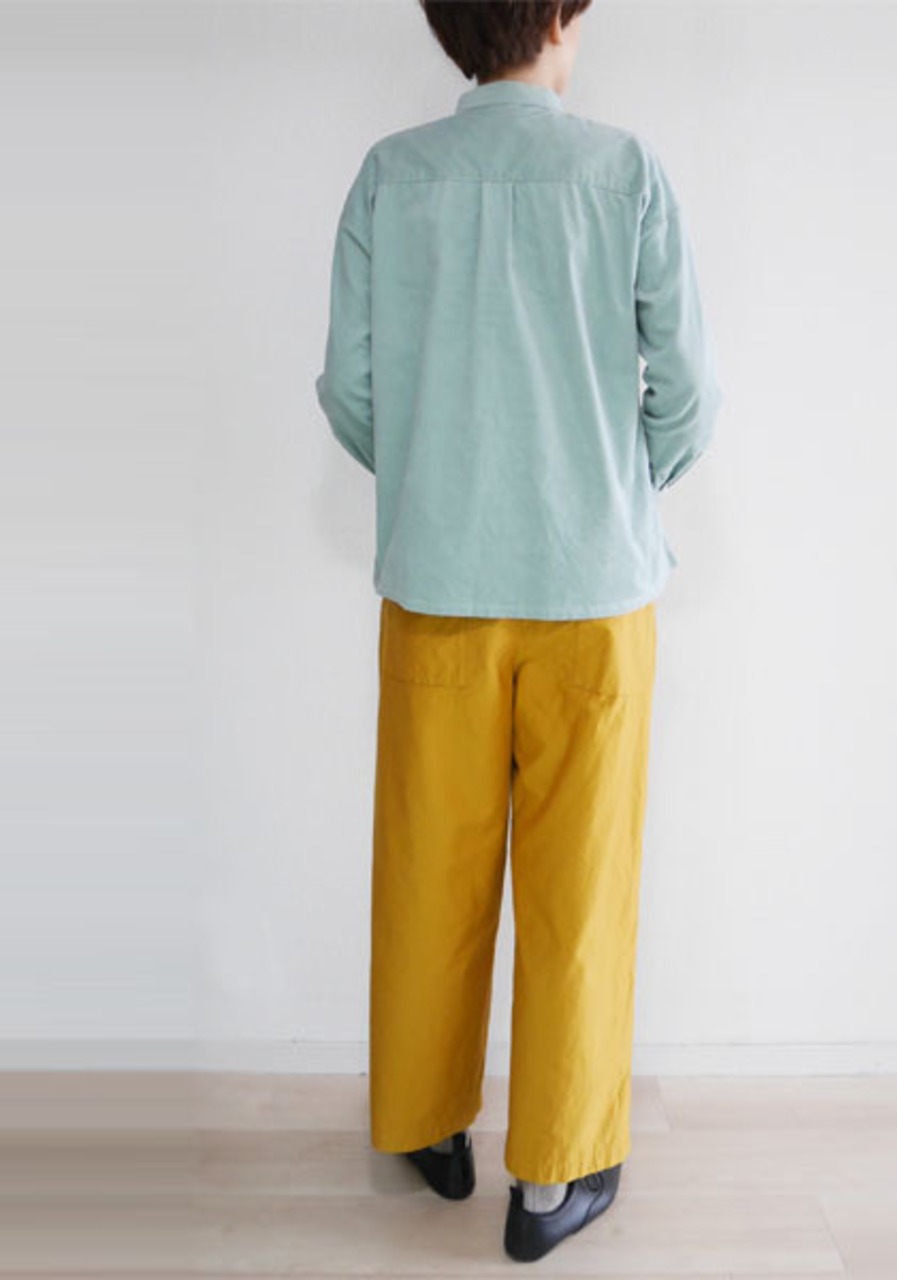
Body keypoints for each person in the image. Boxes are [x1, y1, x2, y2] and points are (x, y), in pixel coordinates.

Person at [314, 0, 722, 1262]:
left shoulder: (392, 176)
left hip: (437, 583)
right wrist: (616, 485)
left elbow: (350, 386)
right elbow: (689, 391)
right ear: (558, 16)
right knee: (579, 887)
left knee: (427, 865)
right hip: (591, 597)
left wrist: (435, 475)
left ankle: (426, 1125)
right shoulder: (623, 173)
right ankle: (550, 1179)